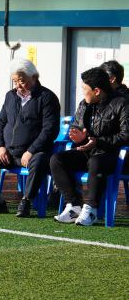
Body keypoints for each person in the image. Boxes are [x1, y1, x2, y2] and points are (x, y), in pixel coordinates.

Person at [0, 59, 60, 217]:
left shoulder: (47, 97)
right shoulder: (10, 96)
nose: (18, 85)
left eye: (22, 80)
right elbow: (0, 123)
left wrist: (31, 151)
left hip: (32, 154)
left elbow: (50, 129)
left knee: (39, 160)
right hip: (9, 152)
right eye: (15, 81)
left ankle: (27, 201)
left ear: (34, 77)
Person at [50, 67, 129, 226]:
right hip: (88, 151)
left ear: (97, 91)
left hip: (113, 155)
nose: (82, 93)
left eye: (85, 89)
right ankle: (73, 205)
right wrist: (79, 138)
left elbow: (126, 134)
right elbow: (77, 127)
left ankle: (91, 209)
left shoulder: (122, 103)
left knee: (96, 162)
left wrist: (98, 141)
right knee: (57, 159)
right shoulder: (84, 104)